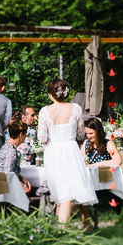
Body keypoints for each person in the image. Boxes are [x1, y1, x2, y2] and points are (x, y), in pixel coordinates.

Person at [38, 77, 96, 224]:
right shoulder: (75, 108)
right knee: (75, 184)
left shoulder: (45, 111)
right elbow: (81, 134)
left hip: (53, 151)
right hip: (70, 149)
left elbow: (42, 137)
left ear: (51, 94)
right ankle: (86, 222)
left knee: (64, 189)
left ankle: (62, 229)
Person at [0, 120, 34, 201]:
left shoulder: (6, 146)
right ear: (21, 134)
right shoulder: (11, 151)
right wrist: (23, 186)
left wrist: (22, 178)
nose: (26, 137)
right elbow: (8, 174)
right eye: (25, 134)